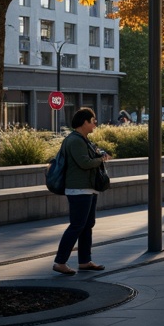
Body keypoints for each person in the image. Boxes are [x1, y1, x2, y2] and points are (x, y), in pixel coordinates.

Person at [52, 108, 110, 275]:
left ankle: (85, 261)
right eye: (93, 120)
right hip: (79, 189)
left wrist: (99, 155)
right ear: (85, 122)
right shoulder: (75, 140)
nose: (95, 124)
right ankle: (60, 262)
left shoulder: (83, 139)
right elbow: (84, 163)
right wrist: (100, 159)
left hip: (87, 188)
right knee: (77, 225)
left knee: (87, 225)